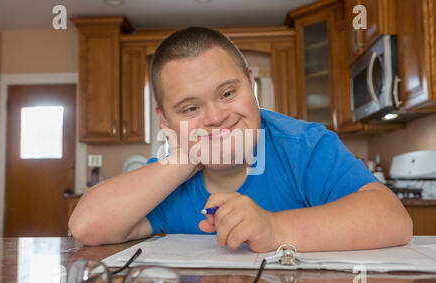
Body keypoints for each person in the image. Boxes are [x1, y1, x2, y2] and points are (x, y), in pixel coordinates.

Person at [69, 27, 412, 252]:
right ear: (165, 120)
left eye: (228, 92)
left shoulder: (303, 147)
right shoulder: (169, 176)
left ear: (251, 84)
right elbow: (86, 227)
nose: (216, 116)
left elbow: (393, 219)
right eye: (190, 108)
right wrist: (189, 155)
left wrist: (274, 228)